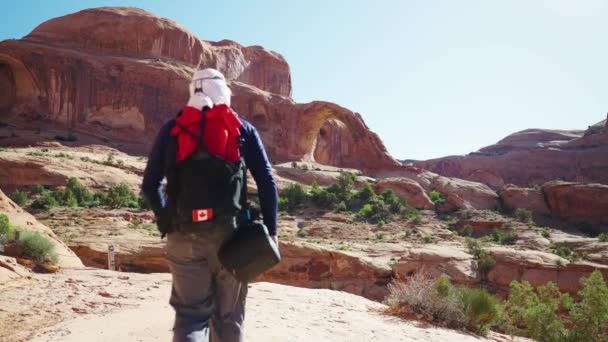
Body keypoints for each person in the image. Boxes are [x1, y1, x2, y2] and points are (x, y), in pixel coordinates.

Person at [142, 68, 278, 342]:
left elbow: (149, 184)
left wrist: (165, 219)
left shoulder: (173, 128)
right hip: (232, 236)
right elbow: (266, 181)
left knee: (190, 318)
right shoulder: (241, 128)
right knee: (229, 319)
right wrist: (271, 231)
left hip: (182, 234)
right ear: (224, 91)